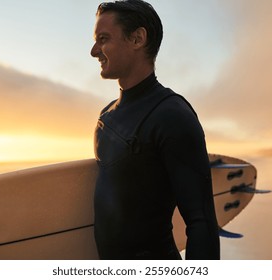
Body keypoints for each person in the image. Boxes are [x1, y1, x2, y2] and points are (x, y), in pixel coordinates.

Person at [90, 0, 220, 260]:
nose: (94, 51)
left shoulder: (172, 115)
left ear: (137, 38)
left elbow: (201, 222)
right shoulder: (106, 116)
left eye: (103, 39)